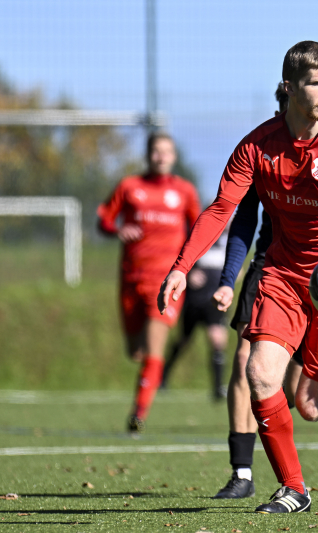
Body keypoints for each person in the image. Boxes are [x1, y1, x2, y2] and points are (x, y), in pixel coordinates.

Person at [158, 41, 318, 514]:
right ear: (290, 87)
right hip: (283, 276)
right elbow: (222, 210)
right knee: (257, 373)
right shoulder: (257, 146)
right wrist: (181, 267)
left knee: (311, 406)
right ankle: (294, 489)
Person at [97, 132, 201, 434]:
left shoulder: (184, 191)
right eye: (156, 151)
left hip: (166, 281)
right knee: (136, 352)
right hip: (130, 278)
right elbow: (104, 219)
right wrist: (116, 229)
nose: (161, 156)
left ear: (174, 156)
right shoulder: (129, 187)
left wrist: (191, 265)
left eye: (166, 151)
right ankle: (146, 385)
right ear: (148, 155)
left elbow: (200, 229)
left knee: (154, 348)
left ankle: (138, 413)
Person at [160, 223, 229, 400]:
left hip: (215, 298)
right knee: (184, 340)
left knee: (217, 339)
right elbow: (180, 256)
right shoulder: (197, 235)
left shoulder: (233, 238)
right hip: (194, 298)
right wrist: (189, 273)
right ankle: (162, 376)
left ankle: (218, 387)